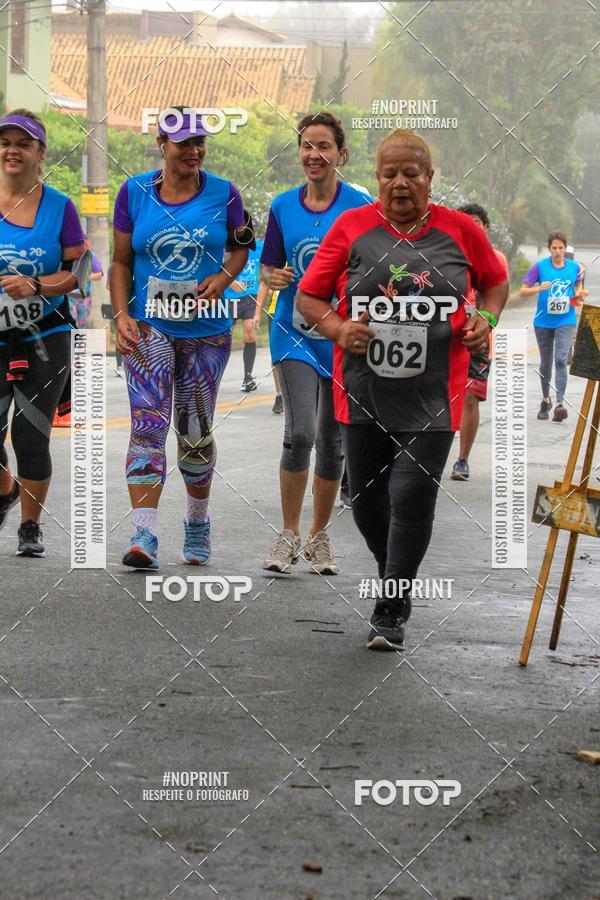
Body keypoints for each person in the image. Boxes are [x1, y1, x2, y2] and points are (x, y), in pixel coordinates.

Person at [295, 128, 509, 650]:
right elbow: (309, 297)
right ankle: (396, 571)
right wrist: (339, 329)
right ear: (377, 178)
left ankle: (390, 607)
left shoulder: (461, 231)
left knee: (411, 495)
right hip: (363, 389)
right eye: (389, 174)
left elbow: (496, 281)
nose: (399, 183)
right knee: (368, 503)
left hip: (436, 392)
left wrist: (485, 316)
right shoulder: (351, 227)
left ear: (429, 179)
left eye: (410, 173)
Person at [110, 108, 250, 569]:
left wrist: (224, 278)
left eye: (199, 143)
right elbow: (120, 262)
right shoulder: (133, 194)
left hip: (207, 332)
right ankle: (144, 534)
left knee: (193, 432)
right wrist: (120, 314)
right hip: (149, 325)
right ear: (162, 144)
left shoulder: (226, 194)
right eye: (183, 143)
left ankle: (196, 521)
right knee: (147, 425)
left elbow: (241, 245)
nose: (193, 151)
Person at [260, 111, 371, 576]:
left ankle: (319, 536)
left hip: (342, 336)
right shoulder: (283, 207)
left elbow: (377, 264)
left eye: (324, 146)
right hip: (293, 332)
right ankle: (287, 534)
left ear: (341, 155)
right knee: (300, 432)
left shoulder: (361, 205)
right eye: (307, 145)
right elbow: (267, 267)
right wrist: (275, 275)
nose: (314, 154)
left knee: (332, 442)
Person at [0, 110, 85, 556]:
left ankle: (29, 527)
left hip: (45, 337)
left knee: (30, 435)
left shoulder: (60, 208)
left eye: (23, 143)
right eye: (5, 142)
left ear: (40, 153)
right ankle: (7, 490)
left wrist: (34, 284)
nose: (12, 150)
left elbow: (77, 274)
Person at [451, 203, 508, 481]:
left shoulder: (495, 258)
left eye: (476, 221)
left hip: (479, 340)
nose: (471, 226)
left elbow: (496, 296)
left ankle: (462, 459)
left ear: (485, 227)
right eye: (465, 221)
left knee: (471, 397)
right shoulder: (445, 256)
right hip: (447, 336)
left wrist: (487, 321)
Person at [520, 231, 587, 422]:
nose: (558, 251)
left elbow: (578, 286)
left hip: (566, 320)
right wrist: (538, 288)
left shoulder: (575, 268)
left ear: (565, 249)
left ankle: (560, 404)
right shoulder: (540, 267)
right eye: (554, 248)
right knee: (546, 363)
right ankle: (546, 399)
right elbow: (523, 291)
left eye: (561, 248)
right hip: (543, 322)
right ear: (549, 249)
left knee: (561, 359)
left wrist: (579, 295)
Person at [224, 238, 263, 392]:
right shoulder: (226, 245)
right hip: (229, 297)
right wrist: (229, 280)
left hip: (250, 296)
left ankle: (248, 377)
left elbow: (271, 263)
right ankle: (213, 373)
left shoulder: (259, 247)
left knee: (249, 332)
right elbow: (214, 263)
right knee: (224, 337)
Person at [253, 281, 283, 413]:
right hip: (275, 311)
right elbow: (265, 282)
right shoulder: (277, 261)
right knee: (277, 354)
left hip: (302, 309)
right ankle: (279, 395)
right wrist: (257, 313)